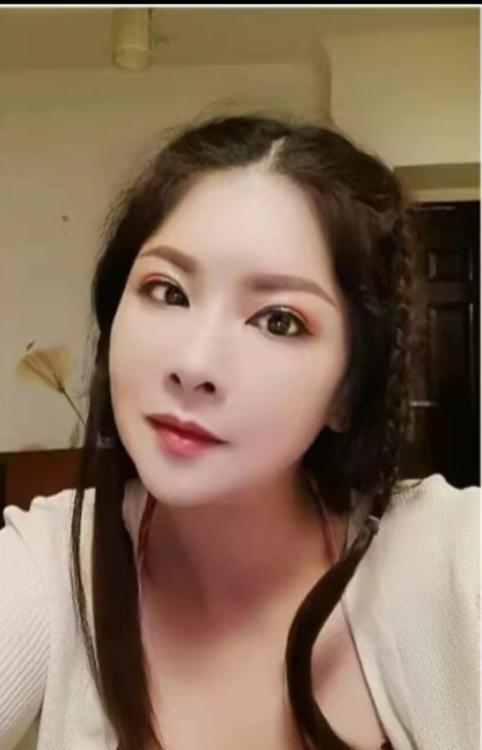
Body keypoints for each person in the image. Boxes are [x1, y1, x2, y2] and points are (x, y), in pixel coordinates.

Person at [0, 114, 478, 750]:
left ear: (347, 391)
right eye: (168, 291)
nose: (194, 364)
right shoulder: (49, 567)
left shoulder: (451, 559)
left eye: (279, 321)